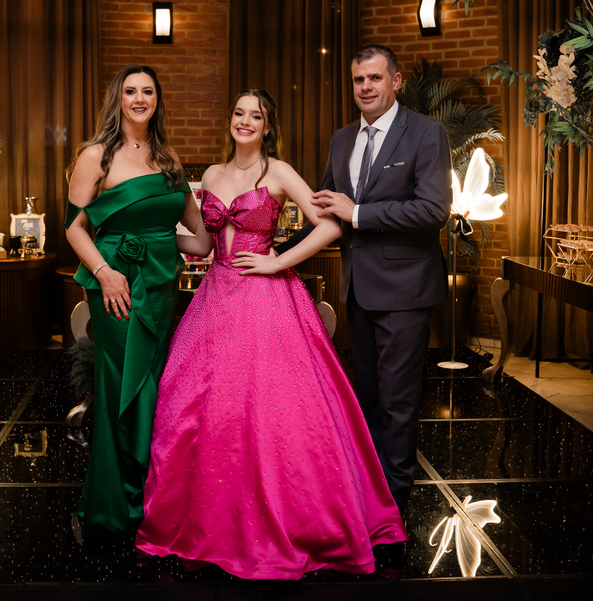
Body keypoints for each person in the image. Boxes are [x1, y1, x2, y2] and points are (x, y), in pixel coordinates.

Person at [136, 89, 406, 580]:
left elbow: (330, 227)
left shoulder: (278, 172)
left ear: (266, 125)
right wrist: (151, 235)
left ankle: (284, 520)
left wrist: (277, 262)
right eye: (238, 113)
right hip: (216, 296)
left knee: (271, 409)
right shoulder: (212, 176)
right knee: (199, 405)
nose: (244, 121)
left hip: (265, 297)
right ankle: (212, 518)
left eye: (254, 115)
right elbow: (203, 242)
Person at [290, 44, 452, 523]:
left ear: (395, 81)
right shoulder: (342, 138)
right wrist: (271, 252)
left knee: (399, 400)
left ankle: (395, 504)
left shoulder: (426, 133)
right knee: (369, 398)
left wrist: (358, 212)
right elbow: (325, 211)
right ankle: (371, 490)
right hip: (358, 289)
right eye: (359, 79)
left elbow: (433, 210)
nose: (365, 87)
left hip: (406, 290)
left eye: (375, 78)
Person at [65, 64, 202, 540]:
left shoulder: (169, 158)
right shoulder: (95, 156)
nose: (139, 99)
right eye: (130, 91)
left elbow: (199, 237)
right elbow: (74, 228)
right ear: (118, 99)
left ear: (158, 100)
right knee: (126, 384)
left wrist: (166, 242)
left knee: (157, 384)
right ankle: (118, 501)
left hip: (160, 284)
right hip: (115, 285)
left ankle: (152, 498)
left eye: (148, 91)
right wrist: (105, 273)